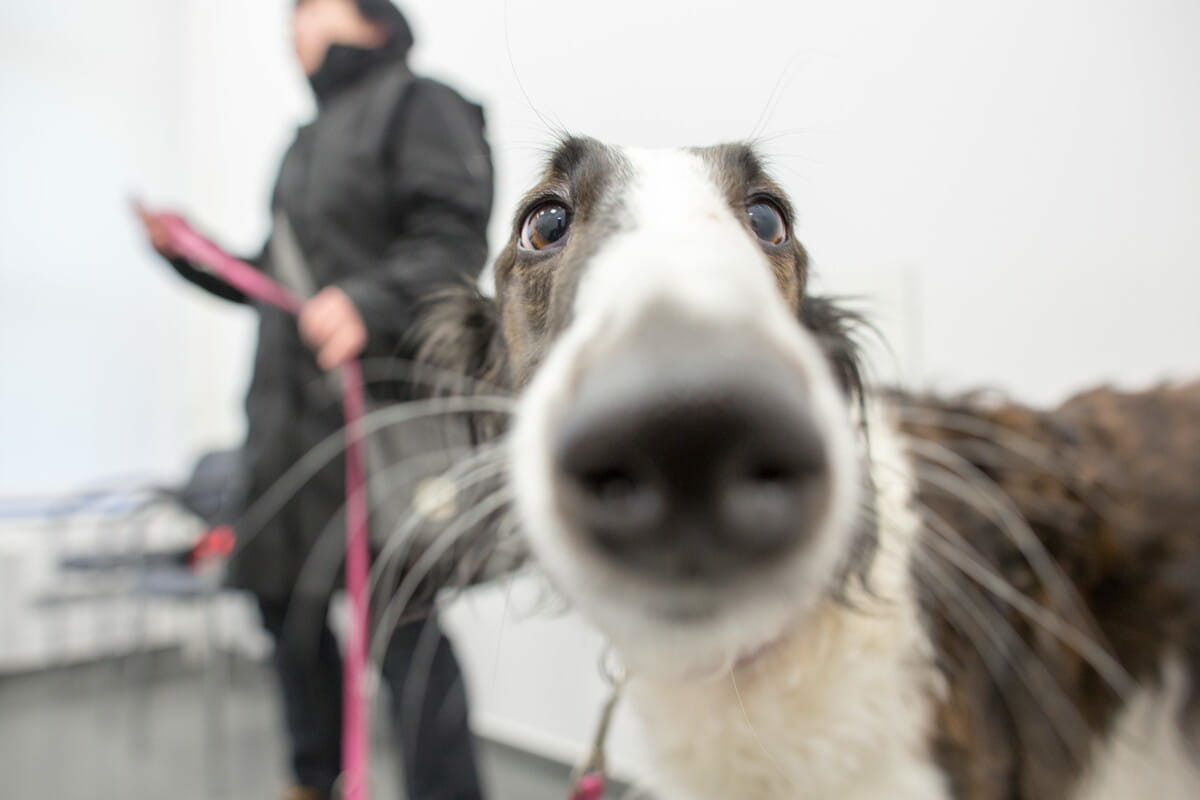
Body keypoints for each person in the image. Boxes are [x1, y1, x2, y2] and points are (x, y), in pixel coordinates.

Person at [137, 2, 493, 799]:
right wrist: (187, 252)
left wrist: (368, 302)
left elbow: (452, 240)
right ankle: (316, 778)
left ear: (370, 17)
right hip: (286, 427)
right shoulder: (303, 144)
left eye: (310, 7)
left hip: (370, 425)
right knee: (283, 610)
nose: (293, 23)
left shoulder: (421, 104)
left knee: (405, 635)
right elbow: (269, 278)